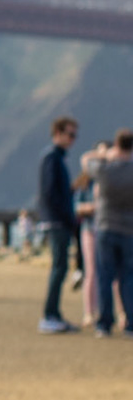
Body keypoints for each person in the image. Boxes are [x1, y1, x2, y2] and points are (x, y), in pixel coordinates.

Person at [78, 130, 133, 336]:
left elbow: (85, 160)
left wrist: (103, 154)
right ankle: (130, 322)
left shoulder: (105, 170)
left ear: (117, 145)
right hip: (129, 229)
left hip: (106, 227)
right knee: (128, 277)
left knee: (104, 276)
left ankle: (104, 323)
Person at [37, 116, 80, 334]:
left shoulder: (58, 158)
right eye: (70, 134)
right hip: (56, 221)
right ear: (58, 133)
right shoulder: (52, 158)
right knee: (59, 268)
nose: (73, 139)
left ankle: (55, 314)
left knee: (61, 268)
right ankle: (49, 315)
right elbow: (50, 193)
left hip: (58, 220)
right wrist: (67, 217)